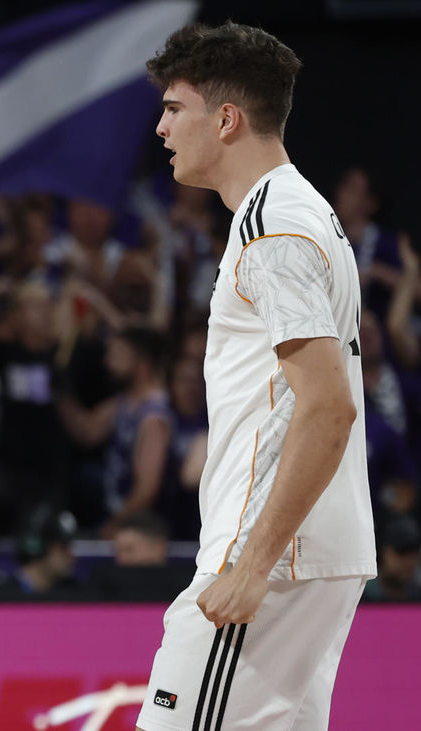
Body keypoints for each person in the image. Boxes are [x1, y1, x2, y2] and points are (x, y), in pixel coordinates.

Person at [137, 23, 375, 731]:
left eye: (175, 108)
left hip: (273, 557)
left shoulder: (272, 229)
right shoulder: (302, 212)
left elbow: (329, 407)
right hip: (306, 551)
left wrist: (251, 562)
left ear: (227, 118)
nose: (161, 127)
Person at [58, 326, 174, 537]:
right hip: (117, 513)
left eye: (118, 354)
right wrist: (62, 392)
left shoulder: (153, 416)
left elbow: (147, 488)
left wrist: (115, 524)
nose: (108, 362)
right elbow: (87, 432)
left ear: (142, 362)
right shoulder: (124, 403)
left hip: (140, 527)